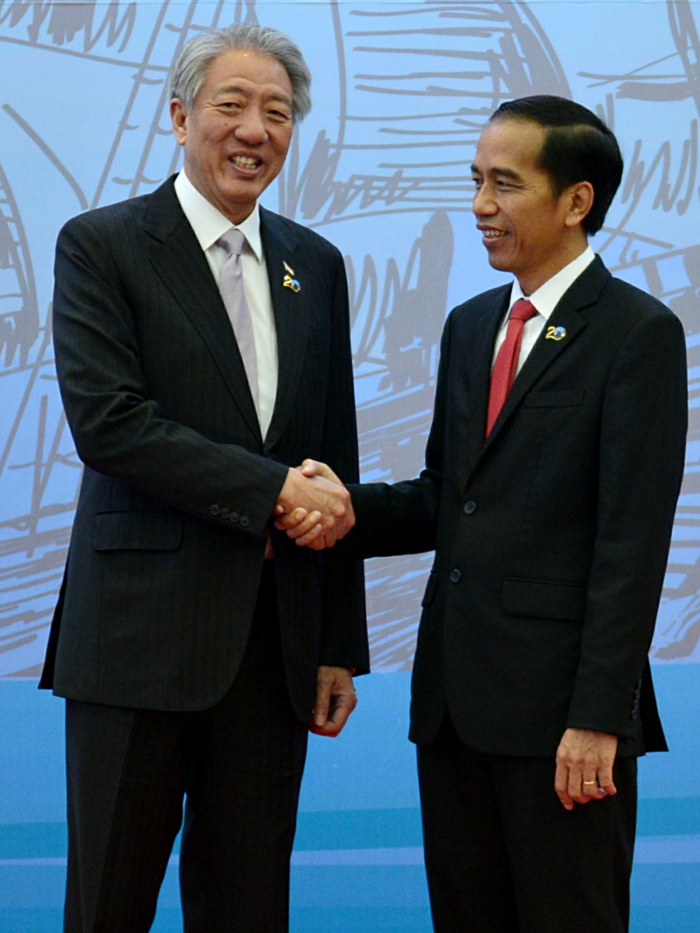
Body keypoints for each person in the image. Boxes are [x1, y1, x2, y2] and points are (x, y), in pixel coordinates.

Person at [280, 96, 688, 932]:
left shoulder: (637, 333)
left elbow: (631, 545)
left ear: (576, 201)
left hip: (562, 720)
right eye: (476, 181)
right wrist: (332, 507)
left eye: (505, 184)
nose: (479, 205)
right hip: (455, 707)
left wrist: (596, 717)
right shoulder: (472, 327)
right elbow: (448, 497)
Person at [39, 23, 368, 933]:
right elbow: (112, 425)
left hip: (271, 649)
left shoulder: (315, 264)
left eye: (278, 112)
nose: (255, 129)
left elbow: (331, 458)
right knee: (108, 905)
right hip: (137, 641)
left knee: (248, 908)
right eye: (233, 104)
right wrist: (272, 492)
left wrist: (337, 640)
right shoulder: (102, 245)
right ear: (182, 117)